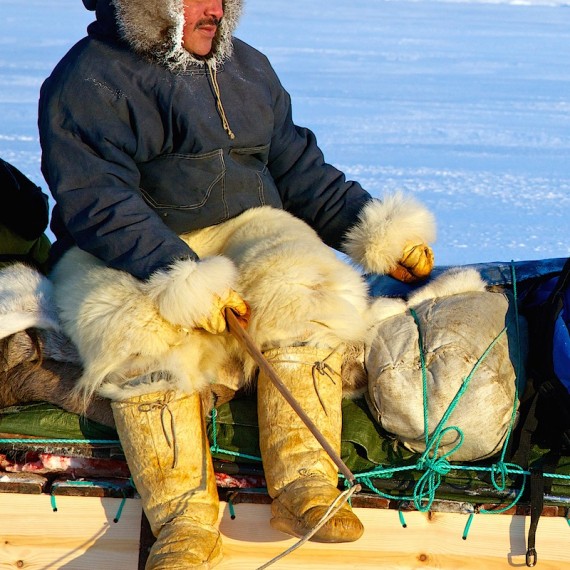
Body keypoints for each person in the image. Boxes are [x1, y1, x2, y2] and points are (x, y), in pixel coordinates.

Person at [38, 1, 436, 568]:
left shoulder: (248, 69)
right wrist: (177, 273)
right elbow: (97, 202)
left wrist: (373, 229)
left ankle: (305, 484)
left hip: (245, 226)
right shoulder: (89, 80)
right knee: (133, 330)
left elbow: (300, 171)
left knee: (309, 285)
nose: (216, 9)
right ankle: (183, 525)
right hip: (124, 246)